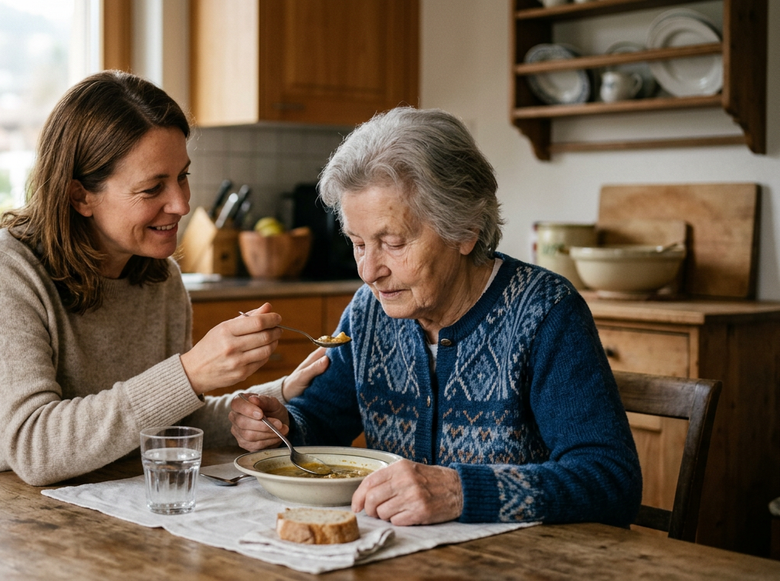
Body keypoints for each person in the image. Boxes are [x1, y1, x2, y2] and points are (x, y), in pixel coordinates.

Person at [0, 71, 329, 486]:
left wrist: (263, 403)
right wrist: (190, 373)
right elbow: (36, 449)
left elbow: (163, 419)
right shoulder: (1, 270)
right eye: (152, 189)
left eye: (182, 175)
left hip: (85, 503)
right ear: (80, 196)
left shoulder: (160, 279)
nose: (181, 204)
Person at [229, 107, 642, 527]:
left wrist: (463, 492)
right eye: (357, 243)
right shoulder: (371, 311)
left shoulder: (545, 312)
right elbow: (320, 422)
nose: (369, 272)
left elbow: (610, 479)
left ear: (464, 230)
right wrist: (281, 427)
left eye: (392, 243)